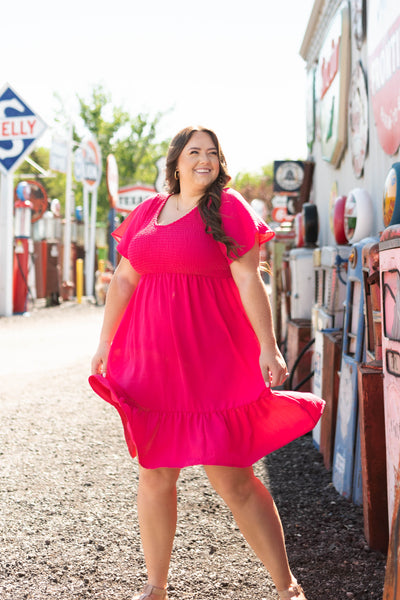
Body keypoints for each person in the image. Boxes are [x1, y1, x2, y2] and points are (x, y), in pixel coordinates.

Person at [90, 126, 325, 600]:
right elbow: (123, 282)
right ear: (176, 161)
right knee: (155, 472)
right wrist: (104, 343)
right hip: (153, 362)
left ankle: (288, 587)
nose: (205, 160)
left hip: (212, 360)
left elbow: (248, 281)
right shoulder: (148, 213)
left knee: (233, 476)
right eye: (194, 152)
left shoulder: (228, 208)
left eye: (212, 154)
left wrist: (269, 345)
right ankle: (156, 587)